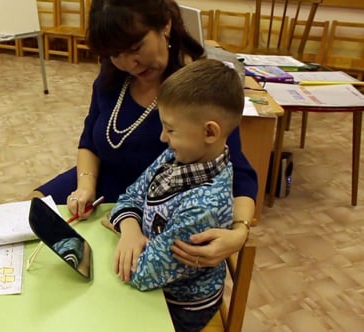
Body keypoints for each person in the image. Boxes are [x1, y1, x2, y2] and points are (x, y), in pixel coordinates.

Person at [30, 0, 255, 268]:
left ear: (166, 26)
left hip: (153, 207)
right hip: (100, 184)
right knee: (29, 215)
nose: (129, 63)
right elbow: (90, 137)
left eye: (136, 48)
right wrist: (85, 186)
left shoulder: (199, 89)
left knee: (104, 269)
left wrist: (239, 232)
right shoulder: (113, 74)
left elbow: (238, 172)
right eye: (116, 54)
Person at [110, 59, 246, 331]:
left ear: (209, 131)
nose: (162, 137)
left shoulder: (201, 208)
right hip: (159, 284)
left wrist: (128, 227)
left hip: (179, 308)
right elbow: (128, 197)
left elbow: (141, 274)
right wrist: (130, 230)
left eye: (170, 129)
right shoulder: (176, 156)